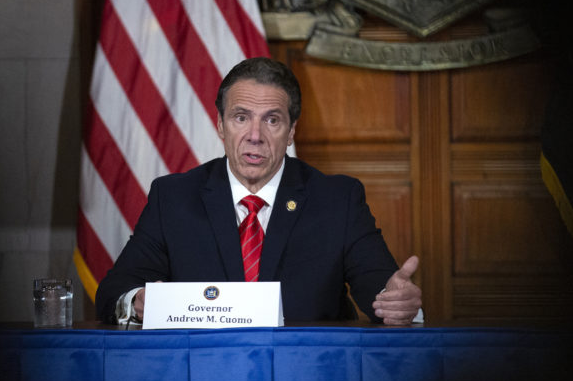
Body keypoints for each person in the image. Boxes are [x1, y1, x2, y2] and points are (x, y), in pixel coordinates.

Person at [95, 57, 422, 324]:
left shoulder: (338, 200)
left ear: (291, 132)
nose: (255, 135)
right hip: (205, 369)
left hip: (307, 368)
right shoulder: (174, 198)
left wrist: (397, 303)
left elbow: (382, 292)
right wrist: (137, 302)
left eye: (272, 120)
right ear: (221, 125)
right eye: (241, 118)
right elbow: (114, 293)